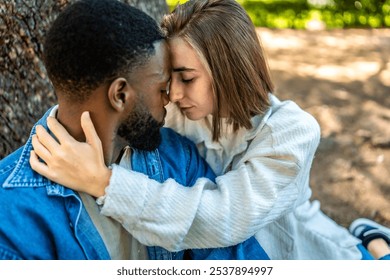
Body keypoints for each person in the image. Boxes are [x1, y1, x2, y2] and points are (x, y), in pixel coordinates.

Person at [29, 0, 390, 259]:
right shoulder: (186, 111)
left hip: (298, 251)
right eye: (170, 79)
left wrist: (104, 183)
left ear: (228, 70)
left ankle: (371, 240)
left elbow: (223, 217)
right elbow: (105, 98)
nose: (173, 93)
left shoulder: (292, 133)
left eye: (186, 78)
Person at [0, 0, 269, 260]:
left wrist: (104, 183)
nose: (170, 98)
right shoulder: (10, 214)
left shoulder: (177, 159)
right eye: (161, 87)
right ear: (120, 95)